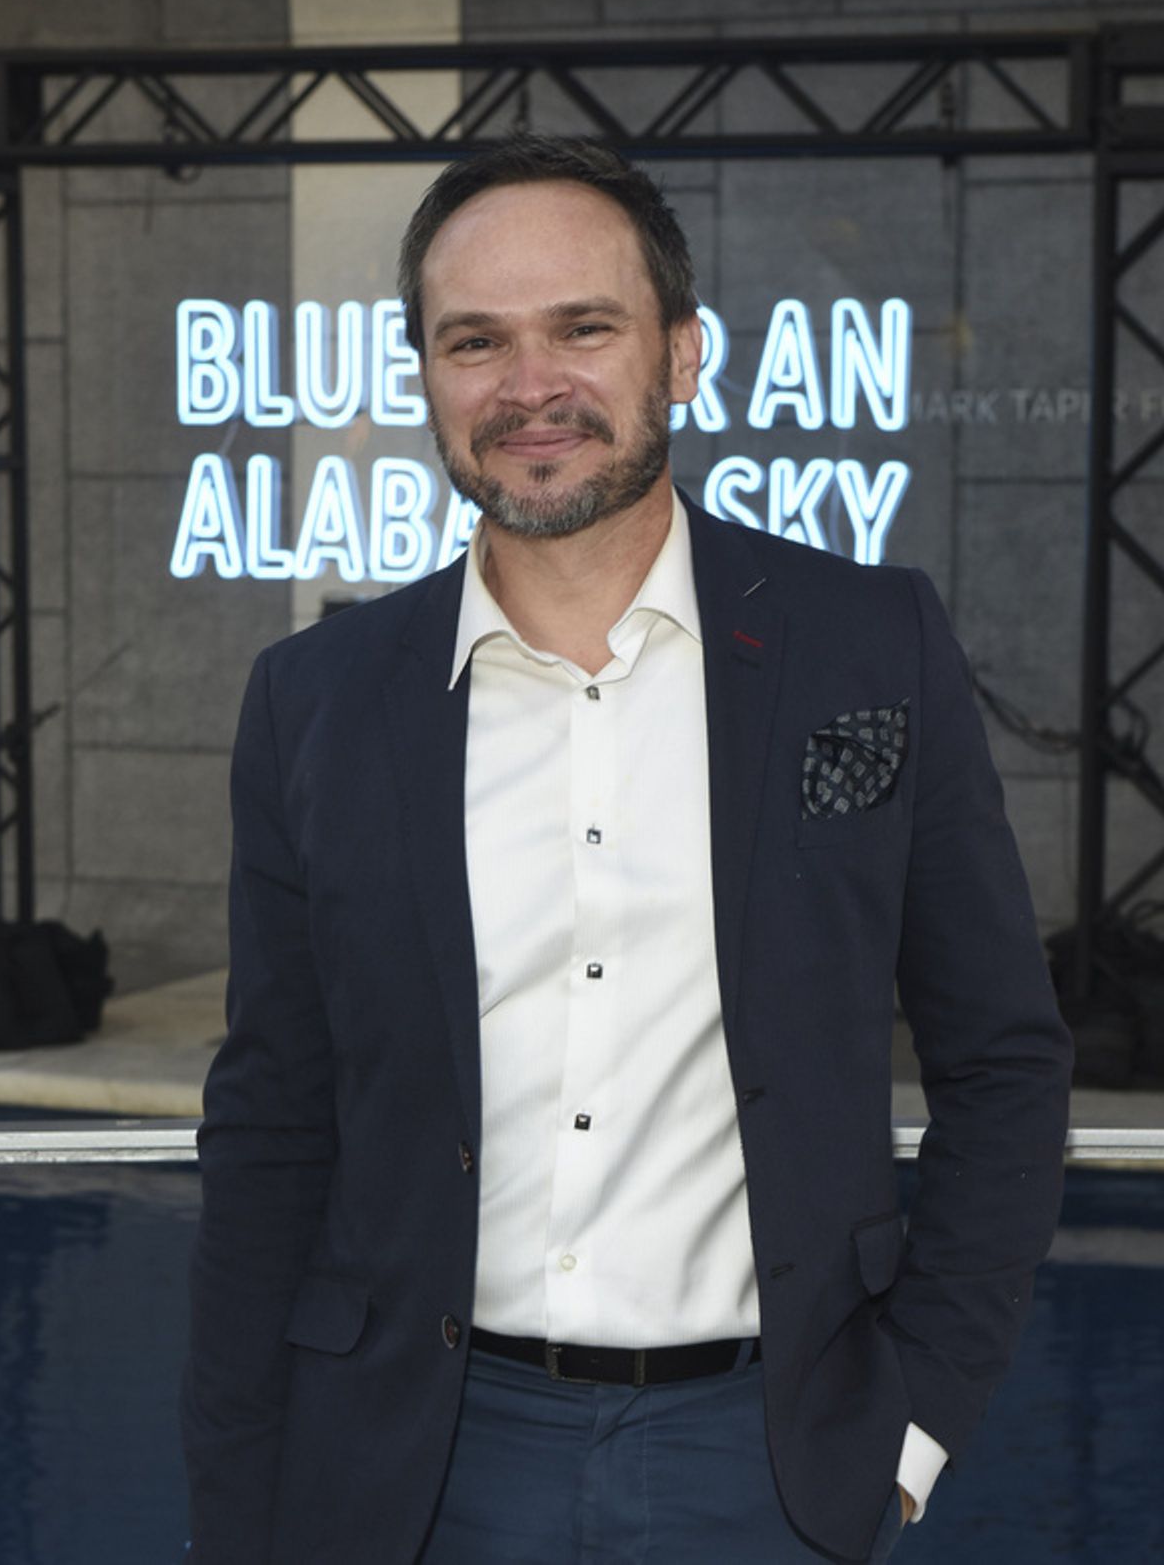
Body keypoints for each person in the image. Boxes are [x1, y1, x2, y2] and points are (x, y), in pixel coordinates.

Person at [182, 135, 1072, 1564]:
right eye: (476, 340)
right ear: (425, 374)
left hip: (768, 1457)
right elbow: (276, 1124)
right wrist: (235, 1512)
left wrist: (907, 1436)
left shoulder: (870, 644)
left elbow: (1006, 1066)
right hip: (414, 1464)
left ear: (680, 354)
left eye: (582, 328)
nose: (530, 387)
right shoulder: (317, 700)